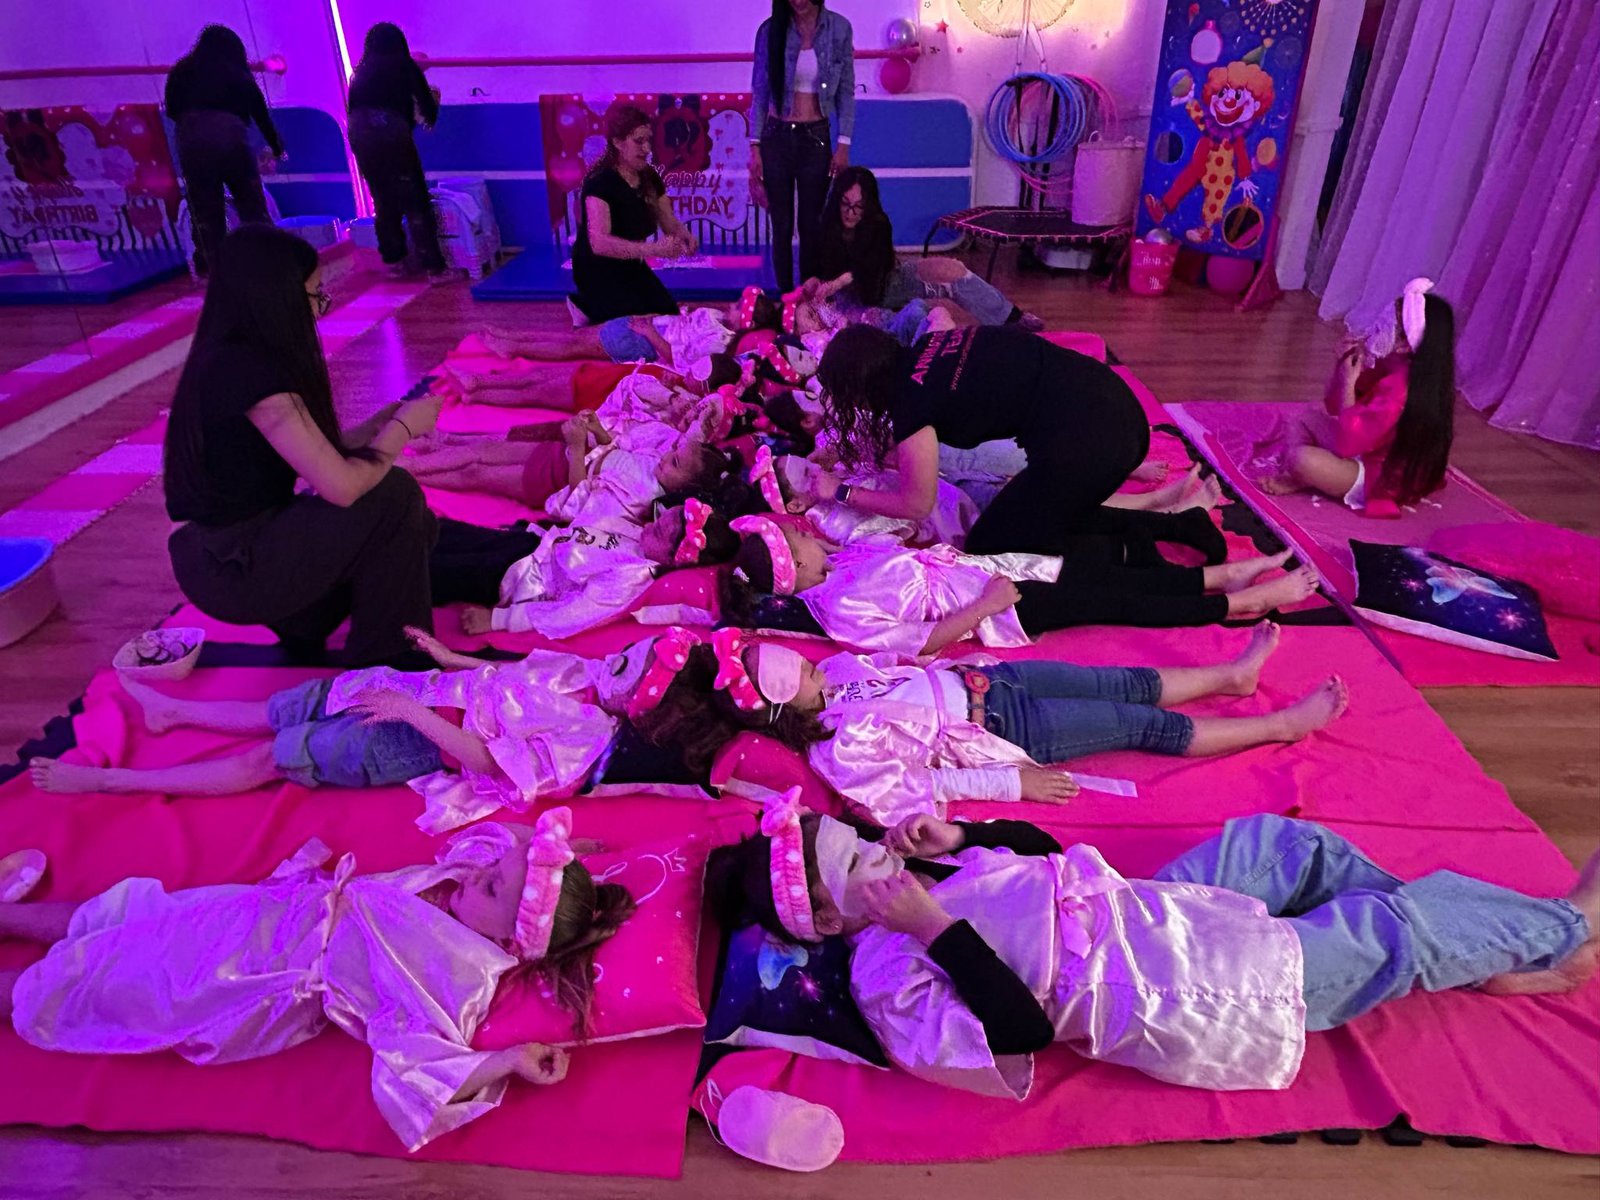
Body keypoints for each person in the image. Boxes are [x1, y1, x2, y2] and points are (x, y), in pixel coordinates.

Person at [706, 799, 1600, 1098]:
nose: (881, 855)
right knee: (1389, 930)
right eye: (859, 865)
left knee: (1286, 845)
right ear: (830, 924)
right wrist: (932, 927)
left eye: (865, 840)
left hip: (1146, 909)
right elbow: (1019, 1034)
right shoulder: (886, 975)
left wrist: (965, 836)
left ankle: (1482, 951)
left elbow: (1046, 861)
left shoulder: (916, 873)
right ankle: (1573, 924)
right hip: (1176, 984)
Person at [0, 810, 634, 1150]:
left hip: (249, 979)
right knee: (135, 919)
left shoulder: (460, 974)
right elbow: (502, 839)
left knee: (109, 981)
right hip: (264, 913)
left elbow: (415, 1069)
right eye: (493, 868)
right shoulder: (468, 889)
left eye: (493, 885)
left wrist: (507, 1060)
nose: (477, 872)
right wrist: (549, 858)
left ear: (511, 939)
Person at [29, 628, 709, 835]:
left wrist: (412, 717)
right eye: (634, 651)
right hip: (428, 691)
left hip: (417, 735)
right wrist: (448, 658)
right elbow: (510, 672)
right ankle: (174, 714)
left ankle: (114, 781)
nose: (622, 658)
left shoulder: (588, 736)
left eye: (634, 668)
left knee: (276, 754)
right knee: (296, 704)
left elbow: (494, 764)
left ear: (641, 708)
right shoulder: (586, 671)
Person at [671, 625, 1347, 828]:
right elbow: (919, 790)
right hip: (1003, 724)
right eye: (796, 674)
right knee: (1142, 724)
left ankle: (1231, 677)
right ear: (781, 708)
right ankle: (1281, 726)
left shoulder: (837, 672)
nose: (809, 665)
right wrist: (1013, 784)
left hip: (992, 679)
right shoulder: (838, 752)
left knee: (1122, 681)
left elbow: (900, 665)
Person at [164, 225, 441, 666]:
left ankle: (308, 619)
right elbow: (342, 487)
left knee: (418, 524)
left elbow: (318, 453)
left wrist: (381, 422)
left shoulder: (236, 356)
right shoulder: (250, 378)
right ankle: (389, 663)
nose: (319, 308)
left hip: (233, 547)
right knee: (395, 495)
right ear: (275, 299)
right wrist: (403, 429)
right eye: (314, 295)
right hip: (235, 565)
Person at [720, 514, 1318, 654]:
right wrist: (986, 607)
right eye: (797, 540)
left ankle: (1222, 574)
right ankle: (1238, 602)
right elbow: (918, 643)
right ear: (791, 569)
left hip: (989, 570)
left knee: (1102, 572)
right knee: (1120, 602)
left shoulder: (839, 564)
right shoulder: (836, 609)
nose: (805, 536)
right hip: (1001, 604)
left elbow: (898, 539)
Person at [813, 324, 1167, 557]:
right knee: (1032, 509)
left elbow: (916, 505)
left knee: (988, 546)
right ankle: (1174, 523)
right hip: (1117, 403)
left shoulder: (912, 405)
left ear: (861, 389)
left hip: (1099, 442)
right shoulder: (928, 347)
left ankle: (1132, 551)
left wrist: (841, 492)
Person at [1262, 280, 1456, 518]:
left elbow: (1348, 442)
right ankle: (1312, 477)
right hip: (1365, 448)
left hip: (1380, 477)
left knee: (1300, 459)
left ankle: (1305, 477)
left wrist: (1348, 382)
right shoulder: (1389, 364)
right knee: (1302, 418)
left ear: (1404, 346)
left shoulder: (1401, 390)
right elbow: (1334, 406)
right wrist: (1342, 364)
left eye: (1384, 327)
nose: (1373, 331)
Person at [455, 500, 738, 640]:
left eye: (659, 532)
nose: (650, 525)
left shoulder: (631, 579)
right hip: (532, 544)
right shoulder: (638, 535)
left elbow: (572, 614)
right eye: (658, 519)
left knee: (446, 568)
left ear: (673, 558)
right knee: (449, 533)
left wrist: (498, 619)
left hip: (522, 577)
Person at [809, 167, 1042, 330]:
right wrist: (815, 283)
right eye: (845, 204)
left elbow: (874, 273)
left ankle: (1011, 318)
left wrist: (840, 280)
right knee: (881, 322)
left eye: (858, 207)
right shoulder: (825, 226)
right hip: (849, 301)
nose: (850, 213)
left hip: (884, 284)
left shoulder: (878, 225)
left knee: (952, 270)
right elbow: (817, 273)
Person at [750, 0, 856, 291]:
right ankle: (785, 297)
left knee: (811, 224)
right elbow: (759, 92)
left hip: (816, 135)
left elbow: (846, 92)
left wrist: (843, 143)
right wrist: (754, 145)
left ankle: (808, 297)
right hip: (776, 135)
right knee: (781, 224)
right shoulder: (770, 31)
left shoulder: (839, 29)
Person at [163, 25, 283, 273]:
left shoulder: (182, 70)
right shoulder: (236, 72)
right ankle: (266, 259)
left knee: (205, 209)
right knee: (250, 202)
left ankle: (212, 268)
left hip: (192, 138)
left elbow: (172, 109)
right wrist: (276, 146)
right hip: (231, 137)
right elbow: (260, 113)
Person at [570, 105, 698, 323]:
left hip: (630, 264)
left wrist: (682, 233)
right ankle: (585, 305)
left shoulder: (649, 177)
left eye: (648, 141)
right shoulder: (599, 182)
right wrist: (653, 249)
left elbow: (667, 219)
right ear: (618, 143)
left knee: (668, 315)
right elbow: (599, 243)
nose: (647, 148)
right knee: (636, 324)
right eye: (639, 141)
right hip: (598, 268)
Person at [347, 23, 446, 276]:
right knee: (415, 198)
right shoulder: (403, 64)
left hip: (360, 134)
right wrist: (430, 116)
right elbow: (425, 101)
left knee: (382, 197)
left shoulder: (361, 72)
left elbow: (354, 110)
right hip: (391, 132)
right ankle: (433, 267)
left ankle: (394, 262)